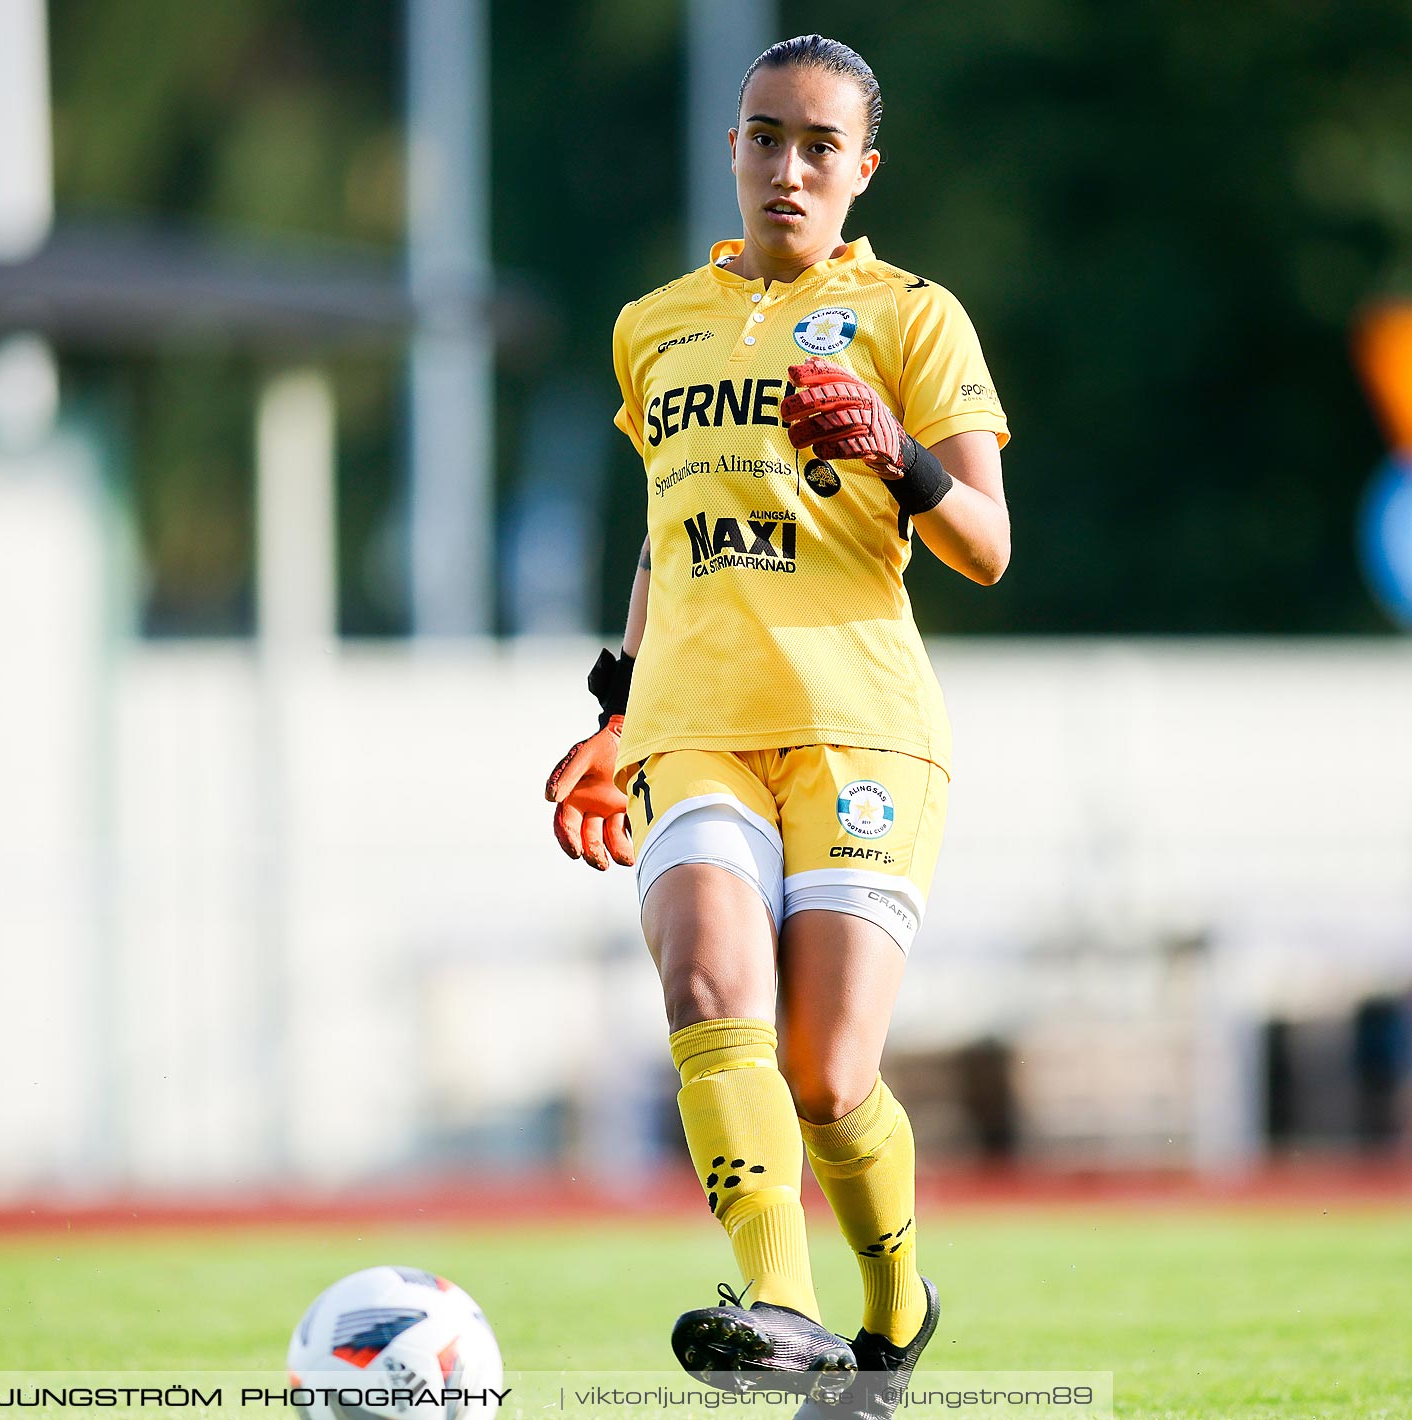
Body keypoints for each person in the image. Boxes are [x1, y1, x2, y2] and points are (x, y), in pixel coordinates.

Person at [544, 34, 1011, 1420]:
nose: (788, 167)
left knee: (826, 1074)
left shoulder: (916, 318)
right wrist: (611, 709)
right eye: (765, 137)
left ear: (863, 169)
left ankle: (895, 1301)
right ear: (732, 150)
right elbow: (663, 533)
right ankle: (785, 1308)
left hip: (861, 730)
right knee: (703, 984)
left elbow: (986, 543)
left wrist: (894, 451)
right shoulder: (656, 321)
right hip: (694, 721)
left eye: (820, 146)